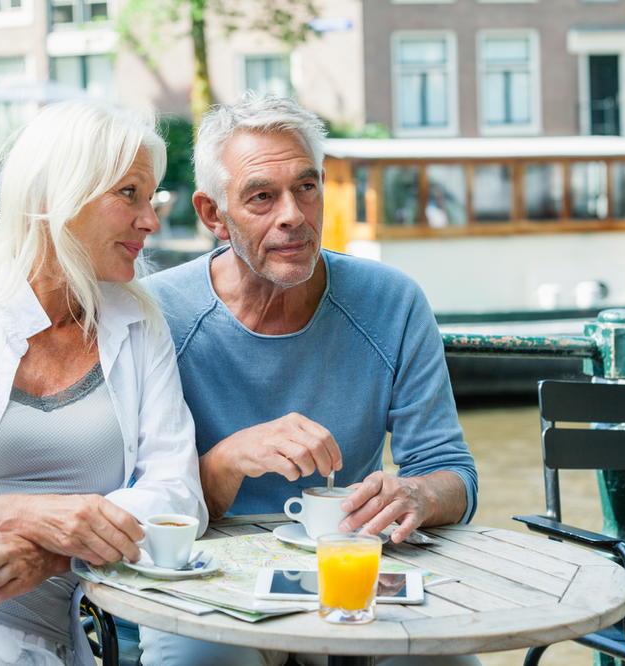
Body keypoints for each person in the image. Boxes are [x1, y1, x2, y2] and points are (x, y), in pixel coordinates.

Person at [0, 99, 207, 666]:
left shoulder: (139, 326)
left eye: (151, 199)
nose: (149, 220)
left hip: (68, 640)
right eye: (129, 194)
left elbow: (178, 494)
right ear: (55, 198)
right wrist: (29, 516)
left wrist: (53, 550)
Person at [145, 93, 478, 666]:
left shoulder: (392, 301)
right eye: (261, 197)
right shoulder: (156, 315)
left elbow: (455, 473)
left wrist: (416, 494)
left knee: (444, 661)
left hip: (349, 565)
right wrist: (228, 461)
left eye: (306, 186)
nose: (293, 214)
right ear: (212, 214)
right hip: (206, 571)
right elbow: (132, 503)